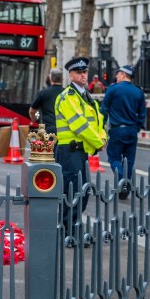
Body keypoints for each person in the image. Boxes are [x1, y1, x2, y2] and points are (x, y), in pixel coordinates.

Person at [54, 56, 107, 234]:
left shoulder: (85, 96)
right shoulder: (67, 97)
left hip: (81, 151)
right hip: (69, 151)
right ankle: (69, 231)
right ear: (71, 75)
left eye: (85, 72)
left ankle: (73, 227)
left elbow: (98, 119)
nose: (83, 75)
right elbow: (79, 125)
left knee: (82, 192)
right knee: (72, 191)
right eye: (79, 72)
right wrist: (98, 142)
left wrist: (103, 137)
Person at [100, 65, 147, 199]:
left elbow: (104, 110)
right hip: (132, 130)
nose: (116, 77)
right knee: (129, 160)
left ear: (122, 74)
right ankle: (125, 187)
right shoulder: (138, 92)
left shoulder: (113, 89)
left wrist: (100, 127)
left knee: (114, 158)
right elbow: (142, 114)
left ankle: (122, 180)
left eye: (118, 74)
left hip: (117, 130)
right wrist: (137, 127)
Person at [29, 68, 64, 134]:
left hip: (48, 130)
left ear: (50, 78)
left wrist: (35, 119)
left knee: (48, 144)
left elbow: (32, 111)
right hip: (63, 130)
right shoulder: (67, 93)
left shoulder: (43, 93)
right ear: (62, 79)